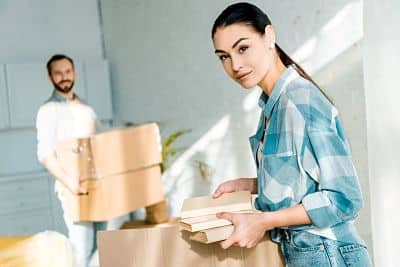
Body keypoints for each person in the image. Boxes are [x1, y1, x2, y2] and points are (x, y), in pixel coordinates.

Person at [211, 3, 372, 266]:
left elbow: (344, 198)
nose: (235, 65)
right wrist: (252, 184)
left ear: (269, 36)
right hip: (307, 253)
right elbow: (306, 178)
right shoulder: (273, 107)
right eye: (223, 56)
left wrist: (263, 221)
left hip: (327, 253)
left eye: (242, 48)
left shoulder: (301, 101)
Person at [36, 54, 106, 267]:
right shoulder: (48, 111)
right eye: (58, 73)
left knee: (103, 247)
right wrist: (70, 183)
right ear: (50, 78)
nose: (64, 77)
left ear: (74, 73)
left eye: (67, 71)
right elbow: (45, 154)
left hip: (98, 187)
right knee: (81, 249)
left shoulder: (86, 107)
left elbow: (102, 144)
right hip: (73, 190)